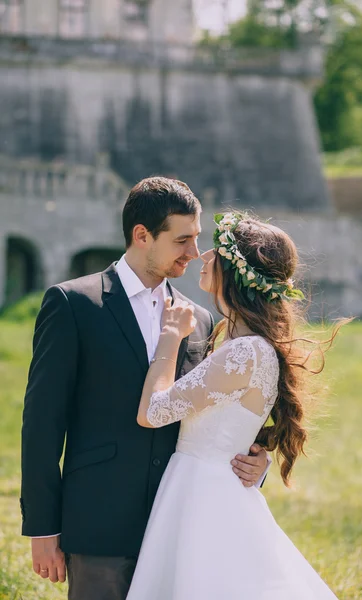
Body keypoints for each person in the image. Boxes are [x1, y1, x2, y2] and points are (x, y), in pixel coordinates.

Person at [20, 179, 270, 600]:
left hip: (180, 528)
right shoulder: (72, 304)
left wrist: (255, 464)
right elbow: (42, 424)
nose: (194, 253)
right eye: (183, 240)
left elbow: (216, 412)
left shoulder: (201, 321)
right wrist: (43, 527)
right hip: (99, 525)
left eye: (196, 239)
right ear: (142, 235)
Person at [126, 211, 340, 599]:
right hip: (205, 484)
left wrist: (171, 337)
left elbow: (152, 412)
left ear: (236, 272)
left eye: (217, 251)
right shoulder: (238, 341)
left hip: (204, 495)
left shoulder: (244, 351)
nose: (204, 256)